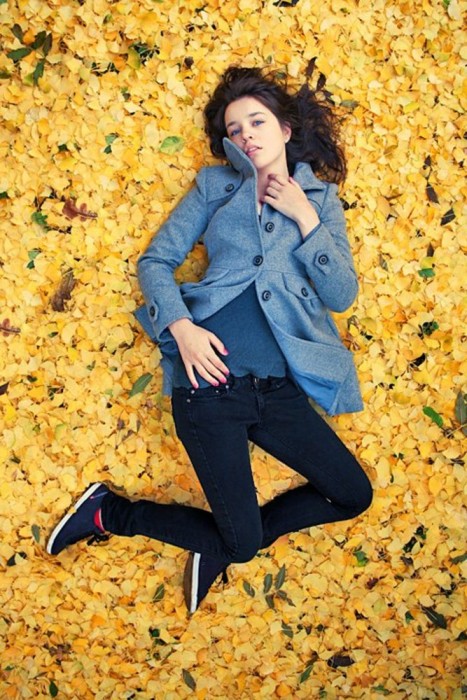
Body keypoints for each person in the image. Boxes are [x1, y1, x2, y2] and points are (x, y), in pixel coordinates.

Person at [47, 66, 372, 613]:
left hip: (278, 392)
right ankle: (110, 512)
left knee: (353, 494)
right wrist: (182, 329)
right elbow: (156, 261)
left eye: (257, 122)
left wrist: (304, 216)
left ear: (285, 130)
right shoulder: (214, 186)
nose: (246, 135)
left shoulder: (320, 200)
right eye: (235, 129)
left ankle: (221, 538)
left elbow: (341, 295)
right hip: (209, 384)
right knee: (243, 546)